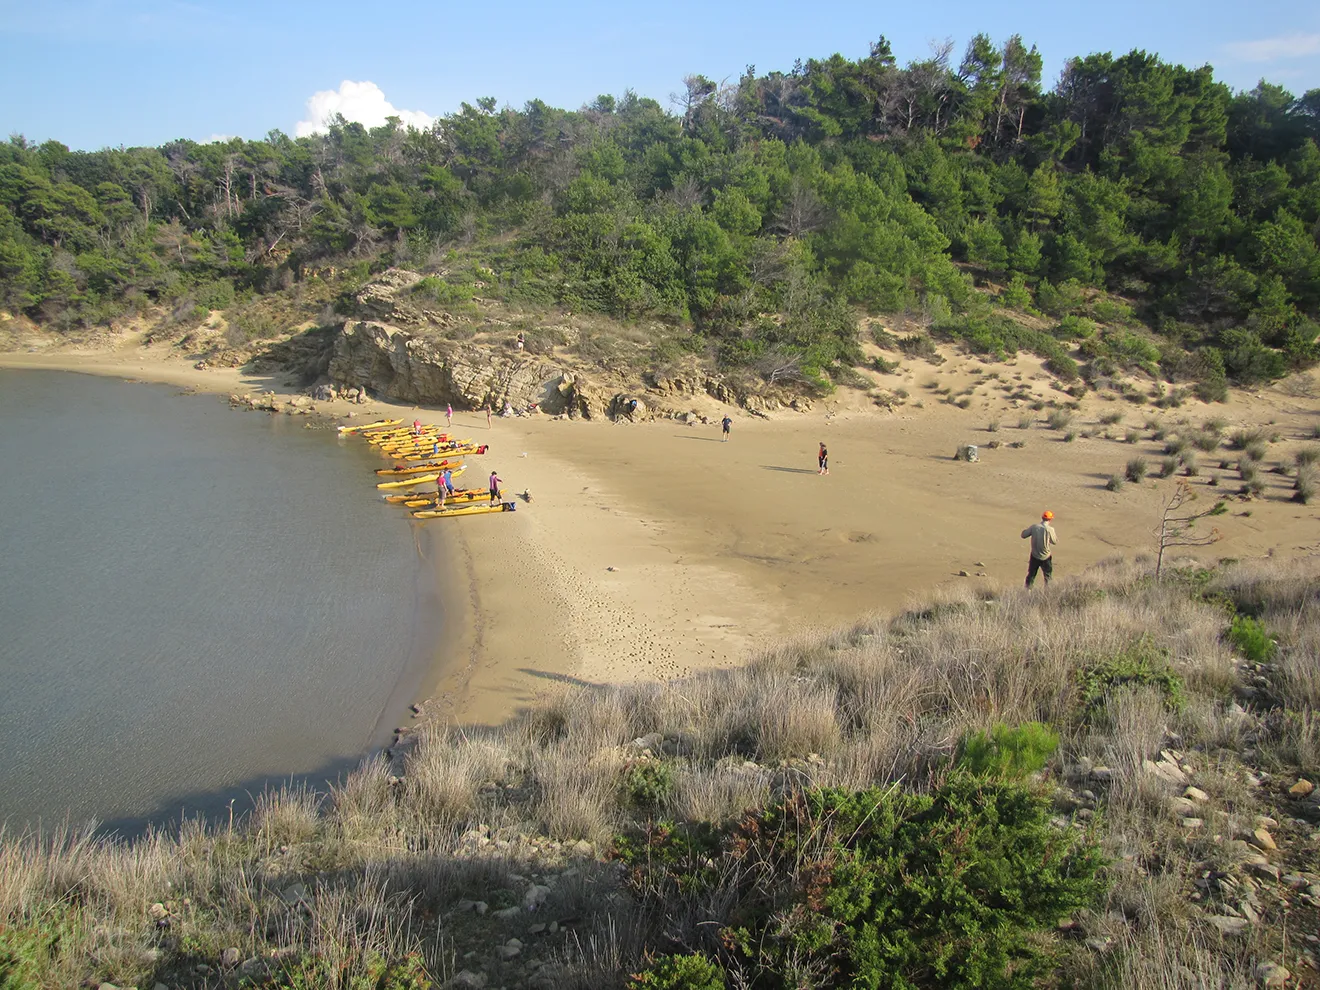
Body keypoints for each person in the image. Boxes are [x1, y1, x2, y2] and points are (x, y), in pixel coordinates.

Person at [1022, 511, 1058, 588]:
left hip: (1034, 555)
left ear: (1042, 518)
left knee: (1031, 575)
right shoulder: (1050, 529)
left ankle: (1028, 591)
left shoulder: (1034, 527)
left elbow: (1023, 535)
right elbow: (1054, 541)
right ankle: (1048, 592)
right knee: (1048, 577)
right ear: (1050, 519)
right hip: (1046, 557)